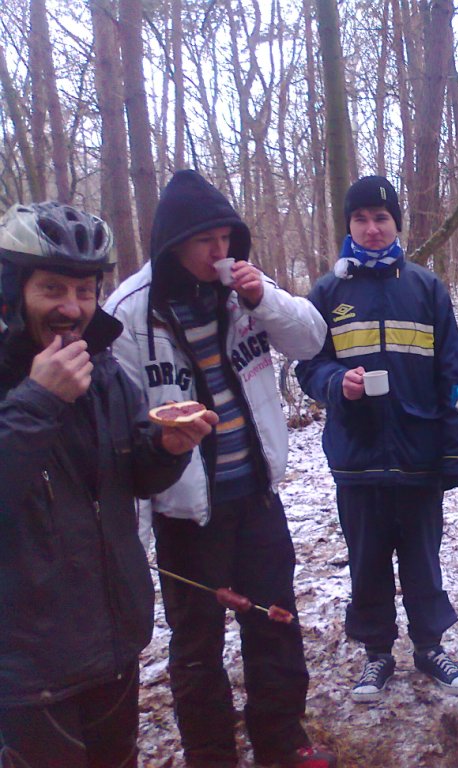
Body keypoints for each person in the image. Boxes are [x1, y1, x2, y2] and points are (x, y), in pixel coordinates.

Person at [104, 170, 335, 768]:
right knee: (197, 645)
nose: (219, 251)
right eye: (205, 240)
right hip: (185, 513)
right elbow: (119, 430)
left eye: (226, 237)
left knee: (275, 622)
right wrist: (132, 530)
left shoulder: (244, 289)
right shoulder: (129, 313)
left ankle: (281, 740)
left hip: (255, 496)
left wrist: (265, 299)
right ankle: (209, 753)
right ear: (173, 243)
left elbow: (311, 341)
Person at [0, 202, 214, 767]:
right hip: (27, 671)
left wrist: (166, 449)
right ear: (13, 291)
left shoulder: (104, 370)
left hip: (113, 645)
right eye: (51, 289)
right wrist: (38, 400)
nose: (71, 308)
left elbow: (132, 478)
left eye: (85, 290)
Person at [295, 176, 458, 703]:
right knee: (367, 562)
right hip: (357, 456)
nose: (372, 228)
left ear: (397, 223)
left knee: (423, 560)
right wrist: (336, 383)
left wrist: (456, 447)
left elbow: (454, 372)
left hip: (419, 452)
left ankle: (430, 646)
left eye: (381, 218)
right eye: (361, 219)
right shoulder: (327, 293)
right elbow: (307, 365)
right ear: (348, 225)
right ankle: (376, 652)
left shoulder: (425, 287)